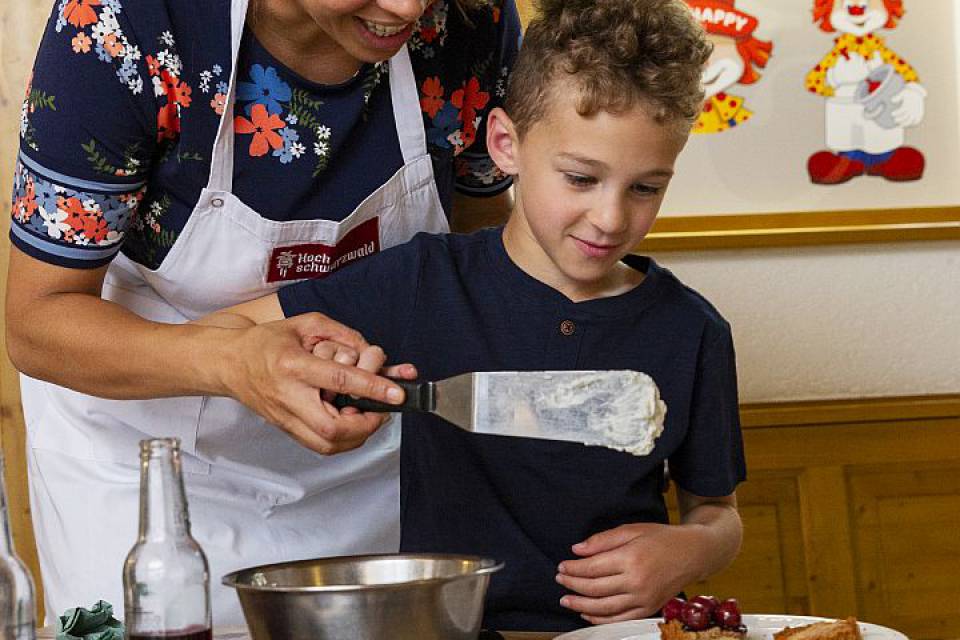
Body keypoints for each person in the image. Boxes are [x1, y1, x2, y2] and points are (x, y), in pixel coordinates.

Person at [197, 0, 746, 631]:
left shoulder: (693, 331)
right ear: (506, 145)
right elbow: (226, 333)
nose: (611, 218)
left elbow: (718, 510)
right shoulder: (423, 281)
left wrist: (691, 549)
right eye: (579, 178)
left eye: (645, 188)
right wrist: (289, 360)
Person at [6, 0, 520, 624]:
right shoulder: (127, 21)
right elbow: (39, 321)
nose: (408, 8)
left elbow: (483, 244)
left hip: (378, 471)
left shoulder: (470, 18)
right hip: (148, 470)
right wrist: (235, 360)